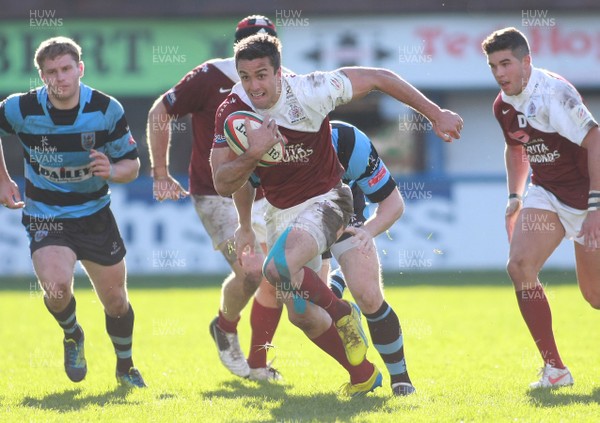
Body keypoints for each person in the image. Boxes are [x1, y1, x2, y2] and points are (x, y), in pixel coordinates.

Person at [211, 34, 463, 395]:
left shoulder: (312, 90)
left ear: (280, 72)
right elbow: (223, 182)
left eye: (262, 74)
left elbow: (379, 77)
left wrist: (436, 114)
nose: (254, 85)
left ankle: (348, 319)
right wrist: (253, 154)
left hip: (329, 202)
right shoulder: (231, 111)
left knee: (280, 270)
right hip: (282, 215)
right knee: (300, 314)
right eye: (246, 76)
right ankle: (362, 374)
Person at [0, 36, 145, 388]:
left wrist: (111, 170)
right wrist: (3, 179)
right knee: (57, 286)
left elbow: (133, 165)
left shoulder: (105, 109)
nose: (59, 77)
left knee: (116, 302)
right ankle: (72, 334)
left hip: (94, 214)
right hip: (45, 214)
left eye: (66, 69)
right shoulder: (22, 108)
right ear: (41, 75)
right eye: (51, 71)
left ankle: (125, 367)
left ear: (80, 69)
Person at [146, 15, 280, 380]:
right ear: (237, 46)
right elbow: (161, 110)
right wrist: (160, 172)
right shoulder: (210, 77)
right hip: (217, 193)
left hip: (269, 194)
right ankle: (226, 327)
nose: (257, 46)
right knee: (254, 271)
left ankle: (258, 363)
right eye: (250, 40)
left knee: (280, 277)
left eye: (265, 40)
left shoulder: (283, 82)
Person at [248, 120, 416, 396]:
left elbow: (393, 203)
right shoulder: (273, 142)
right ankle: (363, 373)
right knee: (303, 314)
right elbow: (244, 185)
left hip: (343, 214)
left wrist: (368, 232)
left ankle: (401, 381)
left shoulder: (349, 141)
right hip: (296, 220)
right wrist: (244, 227)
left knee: (368, 293)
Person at [482, 27, 600, 389]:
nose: (500, 74)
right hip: (546, 191)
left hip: (588, 196)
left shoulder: (554, 94)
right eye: (493, 66)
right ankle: (555, 370)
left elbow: (596, 140)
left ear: (526, 62)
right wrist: (514, 198)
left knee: (595, 297)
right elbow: (517, 148)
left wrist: (595, 207)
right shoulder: (503, 105)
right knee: (519, 266)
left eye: (506, 63)